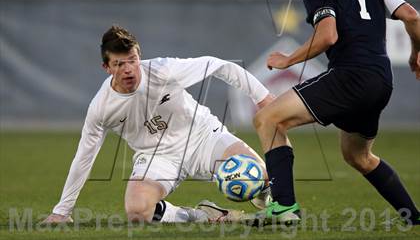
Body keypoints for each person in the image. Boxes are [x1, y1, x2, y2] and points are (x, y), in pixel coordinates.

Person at [251, 0, 420, 227]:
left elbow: (328, 36)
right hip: (380, 81)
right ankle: (414, 217)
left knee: (268, 119)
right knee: (358, 156)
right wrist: (415, 52)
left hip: (350, 76)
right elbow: (412, 16)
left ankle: (283, 208)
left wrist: (287, 60)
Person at [43, 25, 274, 224]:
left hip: (202, 137)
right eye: (119, 64)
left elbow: (220, 66)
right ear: (107, 68)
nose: (128, 69)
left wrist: (264, 99)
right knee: (137, 211)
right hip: (157, 156)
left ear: (139, 55)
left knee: (261, 175)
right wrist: (62, 211)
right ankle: (201, 215)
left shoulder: (163, 70)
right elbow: (85, 155)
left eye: (132, 60)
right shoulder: (101, 107)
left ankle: (270, 205)